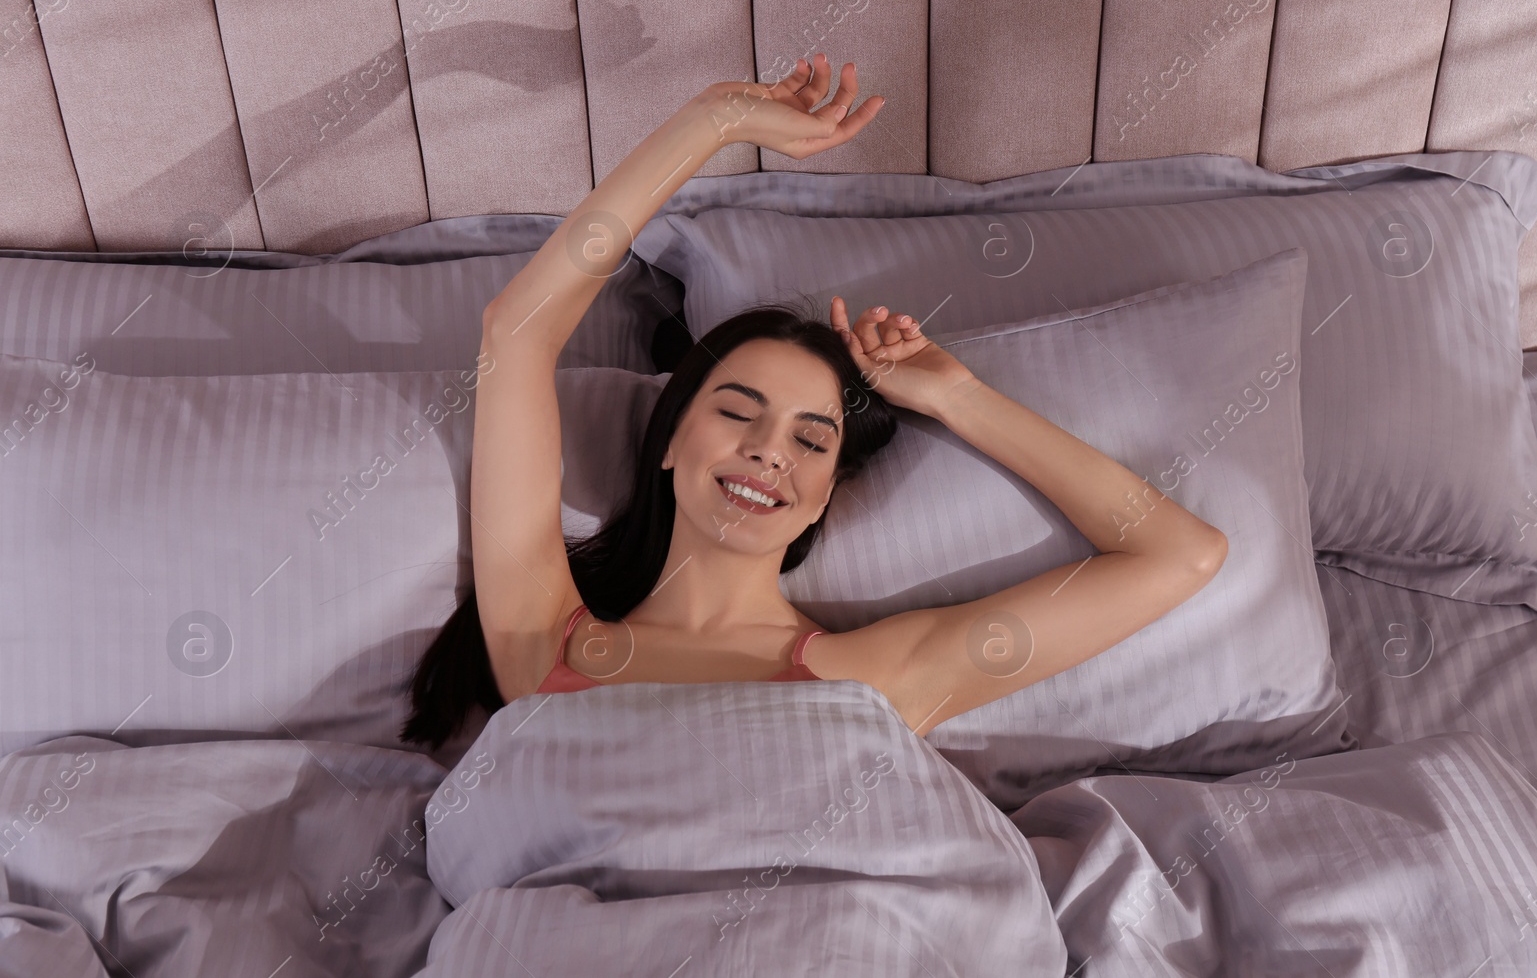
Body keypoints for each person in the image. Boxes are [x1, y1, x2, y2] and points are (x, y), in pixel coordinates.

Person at [402, 53, 1227, 753]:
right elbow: (516, 332)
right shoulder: (543, 637)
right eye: (736, 410)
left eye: (811, 438)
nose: (769, 450)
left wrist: (959, 396)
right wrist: (716, 120)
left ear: (826, 491)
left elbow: (1179, 553)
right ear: (668, 441)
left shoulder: (876, 675)